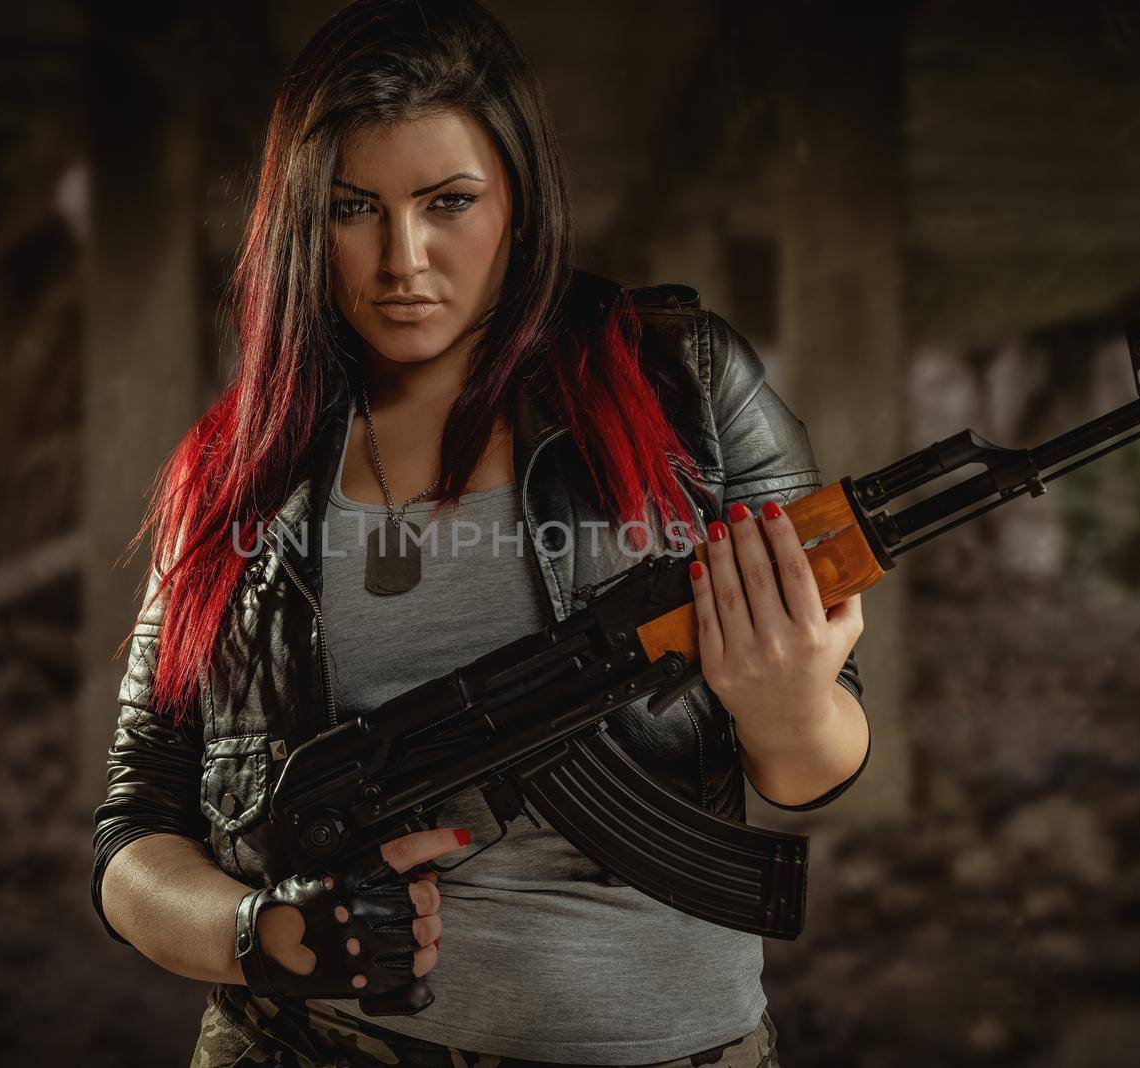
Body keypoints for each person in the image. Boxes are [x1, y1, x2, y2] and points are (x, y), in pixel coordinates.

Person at [91, 1, 869, 1065]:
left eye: (448, 202)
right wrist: (265, 937)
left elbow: (813, 763)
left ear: (519, 205)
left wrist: (789, 707)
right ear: (299, 221)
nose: (403, 258)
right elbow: (136, 828)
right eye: (353, 207)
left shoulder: (680, 384)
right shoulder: (233, 477)